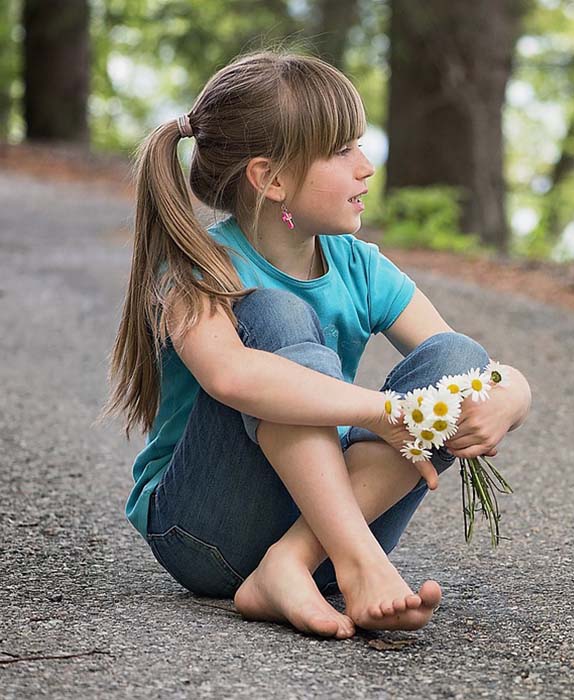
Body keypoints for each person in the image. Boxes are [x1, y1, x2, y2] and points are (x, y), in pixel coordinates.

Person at [104, 52, 532, 639]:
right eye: (341, 151)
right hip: (207, 533)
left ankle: (292, 562)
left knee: (457, 359)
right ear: (271, 179)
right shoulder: (197, 269)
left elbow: (465, 363)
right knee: (275, 313)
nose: (366, 168)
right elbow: (231, 377)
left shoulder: (359, 266)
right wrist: (383, 411)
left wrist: (512, 395)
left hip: (328, 534)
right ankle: (357, 563)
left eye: (360, 146)